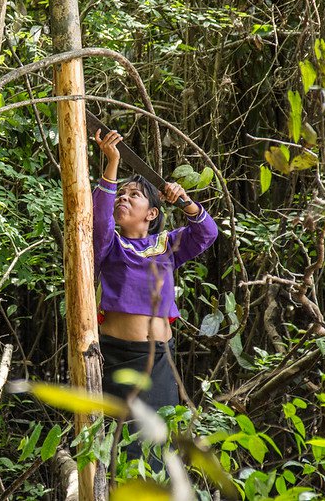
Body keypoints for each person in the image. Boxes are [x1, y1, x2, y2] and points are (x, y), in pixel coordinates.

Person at [92, 128, 218, 469]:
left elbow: (207, 232)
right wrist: (112, 164)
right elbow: (98, 222)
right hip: (118, 356)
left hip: (160, 359)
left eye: (133, 195)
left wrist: (184, 201)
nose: (123, 198)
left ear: (151, 213)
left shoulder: (167, 245)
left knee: (156, 450)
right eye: (121, 194)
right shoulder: (110, 246)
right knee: (121, 447)